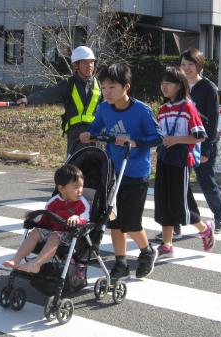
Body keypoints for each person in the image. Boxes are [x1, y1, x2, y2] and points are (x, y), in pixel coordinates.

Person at [80, 63, 162, 279]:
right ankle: (120, 262)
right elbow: (97, 127)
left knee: (131, 222)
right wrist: (89, 134)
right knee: (114, 220)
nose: (106, 92)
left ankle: (147, 251)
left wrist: (134, 142)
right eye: (104, 87)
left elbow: (158, 137)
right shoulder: (104, 108)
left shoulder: (141, 110)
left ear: (126, 87)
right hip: (113, 172)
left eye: (112, 87)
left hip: (136, 173)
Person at [154, 66, 215, 259]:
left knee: (180, 205)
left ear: (180, 86)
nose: (164, 87)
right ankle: (167, 244)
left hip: (181, 160)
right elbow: (159, 136)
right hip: (164, 159)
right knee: (164, 202)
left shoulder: (188, 107)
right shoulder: (163, 109)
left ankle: (205, 229)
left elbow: (200, 136)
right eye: (162, 83)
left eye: (168, 83)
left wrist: (176, 139)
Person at [3, 164, 90, 274]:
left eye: (81, 186)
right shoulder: (53, 202)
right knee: (36, 232)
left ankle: (36, 264)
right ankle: (15, 260)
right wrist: (34, 217)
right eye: (76, 187)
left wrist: (77, 219)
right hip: (52, 230)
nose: (80, 190)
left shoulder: (82, 203)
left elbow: (86, 220)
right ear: (62, 189)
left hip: (71, 234)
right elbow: (45, 220)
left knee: (55, 236)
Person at [17, 46, 102, 155]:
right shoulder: (68, 84)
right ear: (76, 65)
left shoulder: (99, 85)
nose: (90, 66)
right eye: (85, 62)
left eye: (92, 62)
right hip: (75, 135)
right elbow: (47, 95)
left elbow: (107, 108)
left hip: (94, 134)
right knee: (74, 169)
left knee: (95, 169)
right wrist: (28, 100)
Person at [180, 48, 221, 234]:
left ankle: (220, 216)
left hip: (202, 143)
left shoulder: (209, 88)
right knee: (180, 183)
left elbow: (213, 120)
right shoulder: (178, 85)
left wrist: (207, 149)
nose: (186, 68)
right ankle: (182, 221)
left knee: (206, 181)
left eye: (190, 64)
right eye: (183, 64)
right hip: (182, 141)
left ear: (199, 65)